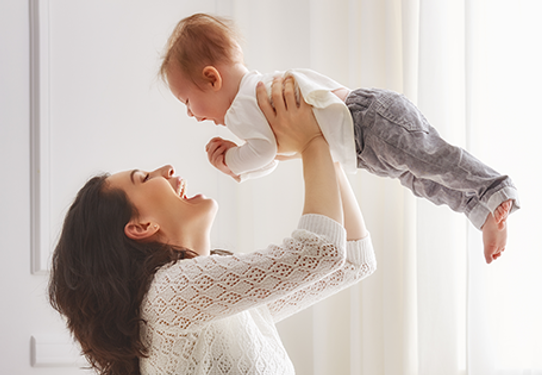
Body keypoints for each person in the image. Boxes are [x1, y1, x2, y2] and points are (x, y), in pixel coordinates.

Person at [48, 76, 376, 375]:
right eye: (145, 178)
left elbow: (352, 263)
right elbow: (320, 253)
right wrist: (310, 140)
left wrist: (321, 149)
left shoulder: (205, 300)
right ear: (141, 226)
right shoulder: (169, 295)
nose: (167, 169)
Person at [159, 13, 520, 264]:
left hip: (368, 121)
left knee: (430, 160)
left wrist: (232, 161)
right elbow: (273, 154)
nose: (192, 113)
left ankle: (494, 188)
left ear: (211, 78)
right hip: (363, 145)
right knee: (422, 179)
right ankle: (480, 210)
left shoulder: (243, 106)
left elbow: (264, 151)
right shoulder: (254, 97)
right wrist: (244, 165)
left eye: (187, 101)